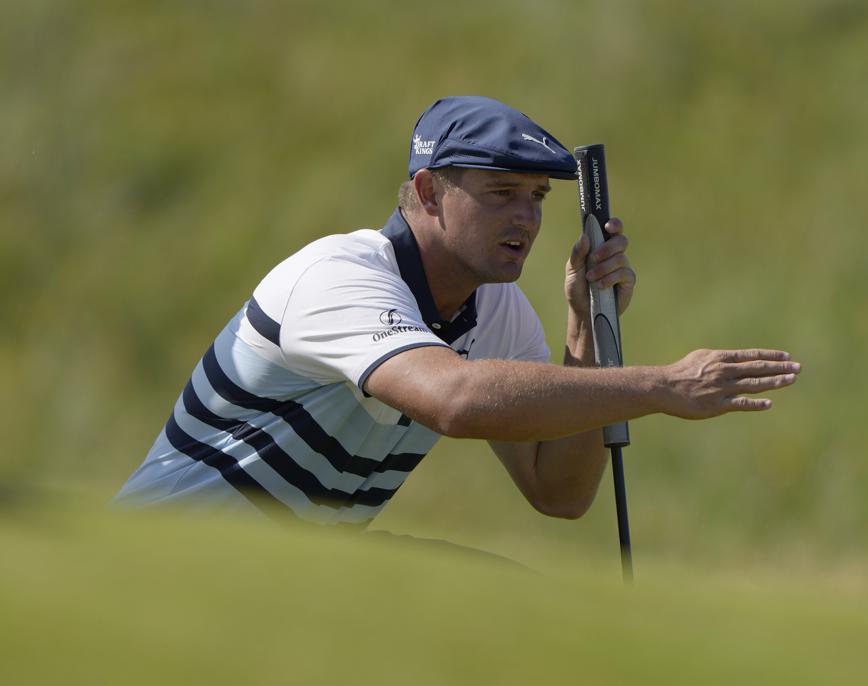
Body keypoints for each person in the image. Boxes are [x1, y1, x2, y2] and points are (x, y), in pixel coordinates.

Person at [114, 95, 801, 529]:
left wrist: (583, 328)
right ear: (428, 191)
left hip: (281, 579)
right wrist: (664, 386)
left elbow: (558, 489)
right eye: (502, 192)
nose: (527, 217)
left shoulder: (495, 310)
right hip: (155, 559)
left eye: (537, 197)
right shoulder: (338, 276)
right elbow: (455, 400)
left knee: (523, 612)